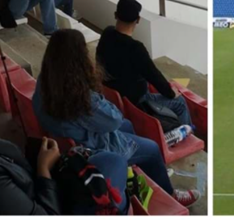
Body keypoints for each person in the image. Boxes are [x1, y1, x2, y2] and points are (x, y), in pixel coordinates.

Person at [33, 30, 200, 208]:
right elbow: (114, 118)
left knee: (128, 125)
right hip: (92, 151)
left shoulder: (45, 81)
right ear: (80, 60)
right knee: (152, 149)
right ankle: (170, 193)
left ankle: (138, 170)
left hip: (70, 140)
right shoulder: (82, 98)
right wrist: (91, 84)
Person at [0, 67, 128, 215]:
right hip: (42, 201)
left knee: (107, 164)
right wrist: (43, 170)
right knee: (116, 167)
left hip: (25, 192)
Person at [96, 0, 192, 126]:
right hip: (136, 101)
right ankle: (186, 134)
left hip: (114, 93)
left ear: (115, 15)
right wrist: (171, 92)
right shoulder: (135, 48)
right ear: (138, 20)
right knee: (180, 102)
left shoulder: (107, 33)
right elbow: (154, 75)